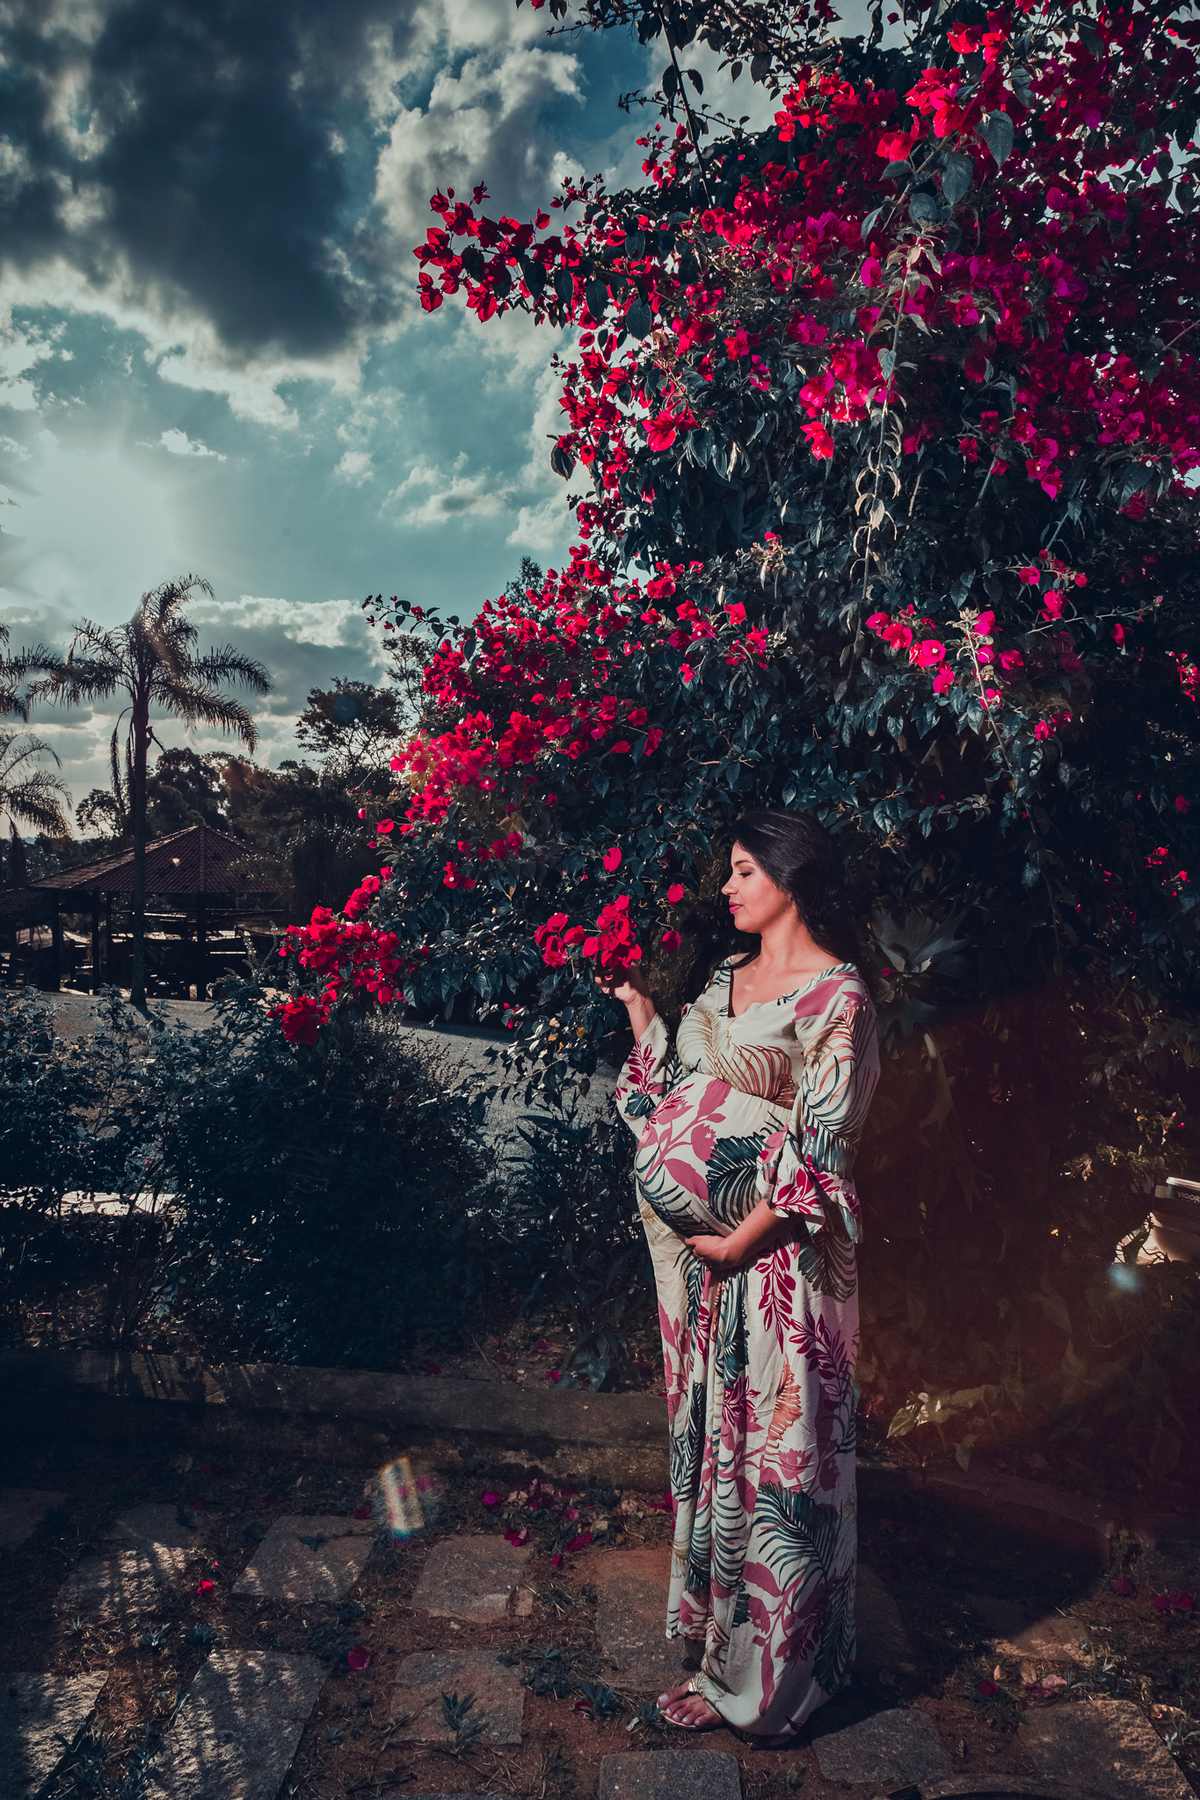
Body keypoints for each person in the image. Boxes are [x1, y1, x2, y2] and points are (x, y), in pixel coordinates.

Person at [602, 810, 880, 1740]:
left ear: (790, 878)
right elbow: (681, 1097)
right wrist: (645, 1017)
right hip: (717, 1270)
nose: (727, 887)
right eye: (728, 871)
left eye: (743, 871)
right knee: (726, 1452)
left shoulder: (840, 997)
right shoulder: (723, 981)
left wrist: (744, 1240)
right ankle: (722, 1650)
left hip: (785, 1267)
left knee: (783, 1471)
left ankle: (776, 1686)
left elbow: (823, 1143)